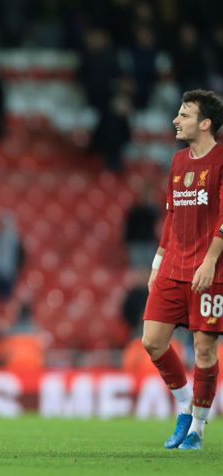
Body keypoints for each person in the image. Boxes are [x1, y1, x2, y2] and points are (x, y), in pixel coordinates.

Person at [141, 89, 223, 451]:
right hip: (174, 265)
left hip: (211, 270)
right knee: (152, 341)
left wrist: (210, 260)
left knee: (204, 351)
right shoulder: (177, 161)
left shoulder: (221, 160)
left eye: (185, 114)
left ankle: (198, 430)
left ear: (205, 123)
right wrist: (158, 262)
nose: (176, 119)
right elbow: (172, 214)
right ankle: (185, 406)